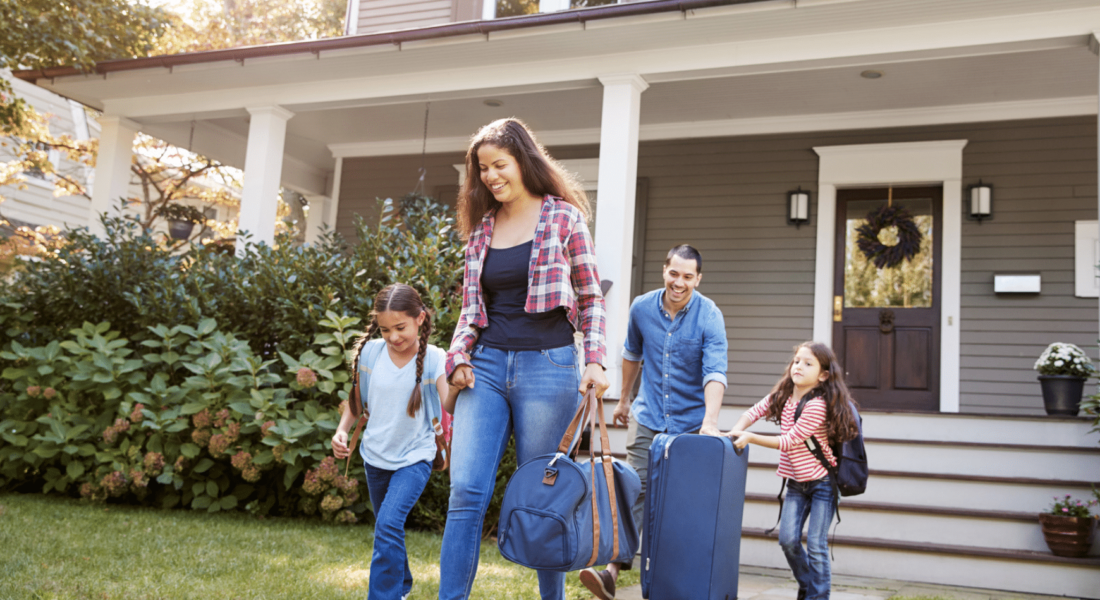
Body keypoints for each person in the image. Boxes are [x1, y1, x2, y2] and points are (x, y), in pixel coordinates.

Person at [439, 117, 610, 600]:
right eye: (482, 169)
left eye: (499, 164)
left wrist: (595, 359)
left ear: (522, 161)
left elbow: (591, 296)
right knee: (466, 491)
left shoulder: (563, 217)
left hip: (548, 366)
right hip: (486, 369)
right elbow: (470, 313)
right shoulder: (480, 233)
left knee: (544, 496)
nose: (491, 176)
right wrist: (458, 358)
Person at [580, 244, 728, 600]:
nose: (679, 282)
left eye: (688, 276)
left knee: (682, 501)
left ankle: (675, 579)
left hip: (691, 424)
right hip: (648, 417)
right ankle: (613, 571)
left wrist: (710, 420)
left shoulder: (709, 315)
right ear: (665, 270)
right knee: (636, 489)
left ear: (698, 279)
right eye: (674, 273)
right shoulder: (642, 307)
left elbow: (715, 372)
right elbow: (631, 355)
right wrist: (625, 399)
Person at [332, 283, 448, 600]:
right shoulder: (371, 353)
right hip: (375, 458)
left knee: (387, 525)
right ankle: (403, 583)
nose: (394, 337)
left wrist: (459, 378)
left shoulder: (437, 359)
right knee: (389, 528)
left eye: (401, 327)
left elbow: (450, 403)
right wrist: (342, 430)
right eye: (385, 330)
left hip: (415, 458)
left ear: (420, 319)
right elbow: (356, 401)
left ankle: (384, 596)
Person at [725, 342, 861, 600]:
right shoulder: (783, 395)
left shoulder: (818, 405)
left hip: (822, 484)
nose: (799, 366)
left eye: (808, 363)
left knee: (817, 546)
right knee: (787, 540)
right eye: (797, 361)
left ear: (823, 375)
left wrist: (750, 437)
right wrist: (735, 431)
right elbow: (754, 411)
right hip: (797, 484)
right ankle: (809, 583)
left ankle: (817, 596)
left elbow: (788, 440)